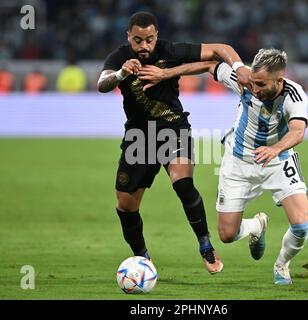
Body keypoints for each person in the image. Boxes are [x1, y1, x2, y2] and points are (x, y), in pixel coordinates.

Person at [139, 48, 308, 285]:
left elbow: (298, 131)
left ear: (279, 80)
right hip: (238, 162)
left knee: (301, 225)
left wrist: (275, 149)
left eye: (261, 84)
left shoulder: (294, 95)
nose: (255, 89)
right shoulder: (246, 79)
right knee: (227, 235)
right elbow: (210, 64)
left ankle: (281, 265)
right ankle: (256, 226)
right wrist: (166, 73)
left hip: (277, 161)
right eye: (253, 82)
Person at [97, 11, 250, 274]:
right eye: (137, 41)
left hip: (172, 129)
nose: (144, 46)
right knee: (126, 206)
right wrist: (122, 73)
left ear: (156, 35)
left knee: (183, 183)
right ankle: (143, 261)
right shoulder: (120, 57)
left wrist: (239, 68)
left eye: (149, 40)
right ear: (128, 37)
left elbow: (221, 50)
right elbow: (102, 84)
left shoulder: (171, 51)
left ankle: (205, 245)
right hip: (139, 138)